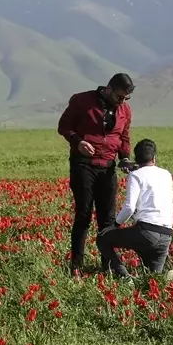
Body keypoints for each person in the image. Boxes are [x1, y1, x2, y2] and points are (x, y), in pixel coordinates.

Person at [56, 73, 134, 273]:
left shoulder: (125, 110)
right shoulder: (82, 101)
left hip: (107, 167)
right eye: (119, 97)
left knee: (107, 219)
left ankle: (106, 266)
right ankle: (76, 265)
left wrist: (124, 157)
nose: (122, 101)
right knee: (83, 214)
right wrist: (78, 142)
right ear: (108, 89)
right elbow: (63, 126)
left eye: (125, 98)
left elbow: (124, 137)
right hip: (84, 164)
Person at [97, 138, 173, 280]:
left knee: (103, 239)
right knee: (152, 279)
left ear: (136, 158)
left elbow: (129, 207)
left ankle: (125, 277)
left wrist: (114, 225)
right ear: (154, 158)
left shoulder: (136, 175)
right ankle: (164, 278)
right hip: (166, 235)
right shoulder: (166, 174)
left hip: (146, 233)